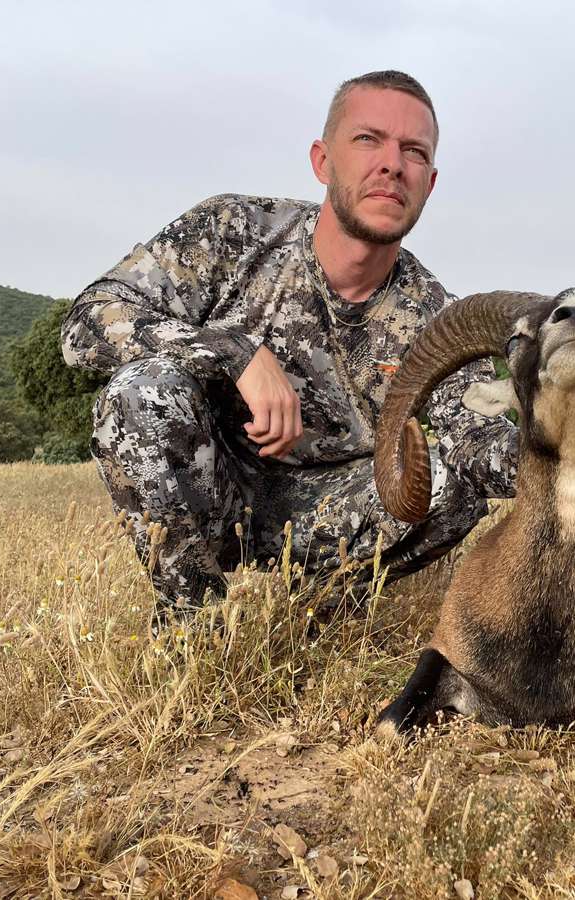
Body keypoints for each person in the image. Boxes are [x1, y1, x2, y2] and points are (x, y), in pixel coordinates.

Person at [61, 70, 518, 624]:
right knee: (140, 391)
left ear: (429, 181)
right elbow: (88, 322)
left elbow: (477, 443)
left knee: (455, 477)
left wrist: (574, 428)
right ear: (322, 161)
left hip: (330, 514)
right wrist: (235, 353)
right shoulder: (233, 231)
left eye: (414, 151)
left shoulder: (438, 319)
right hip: (211, 486)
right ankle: (193, 622)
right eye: (368, 140)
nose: (392, 164)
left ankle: (322, 610)